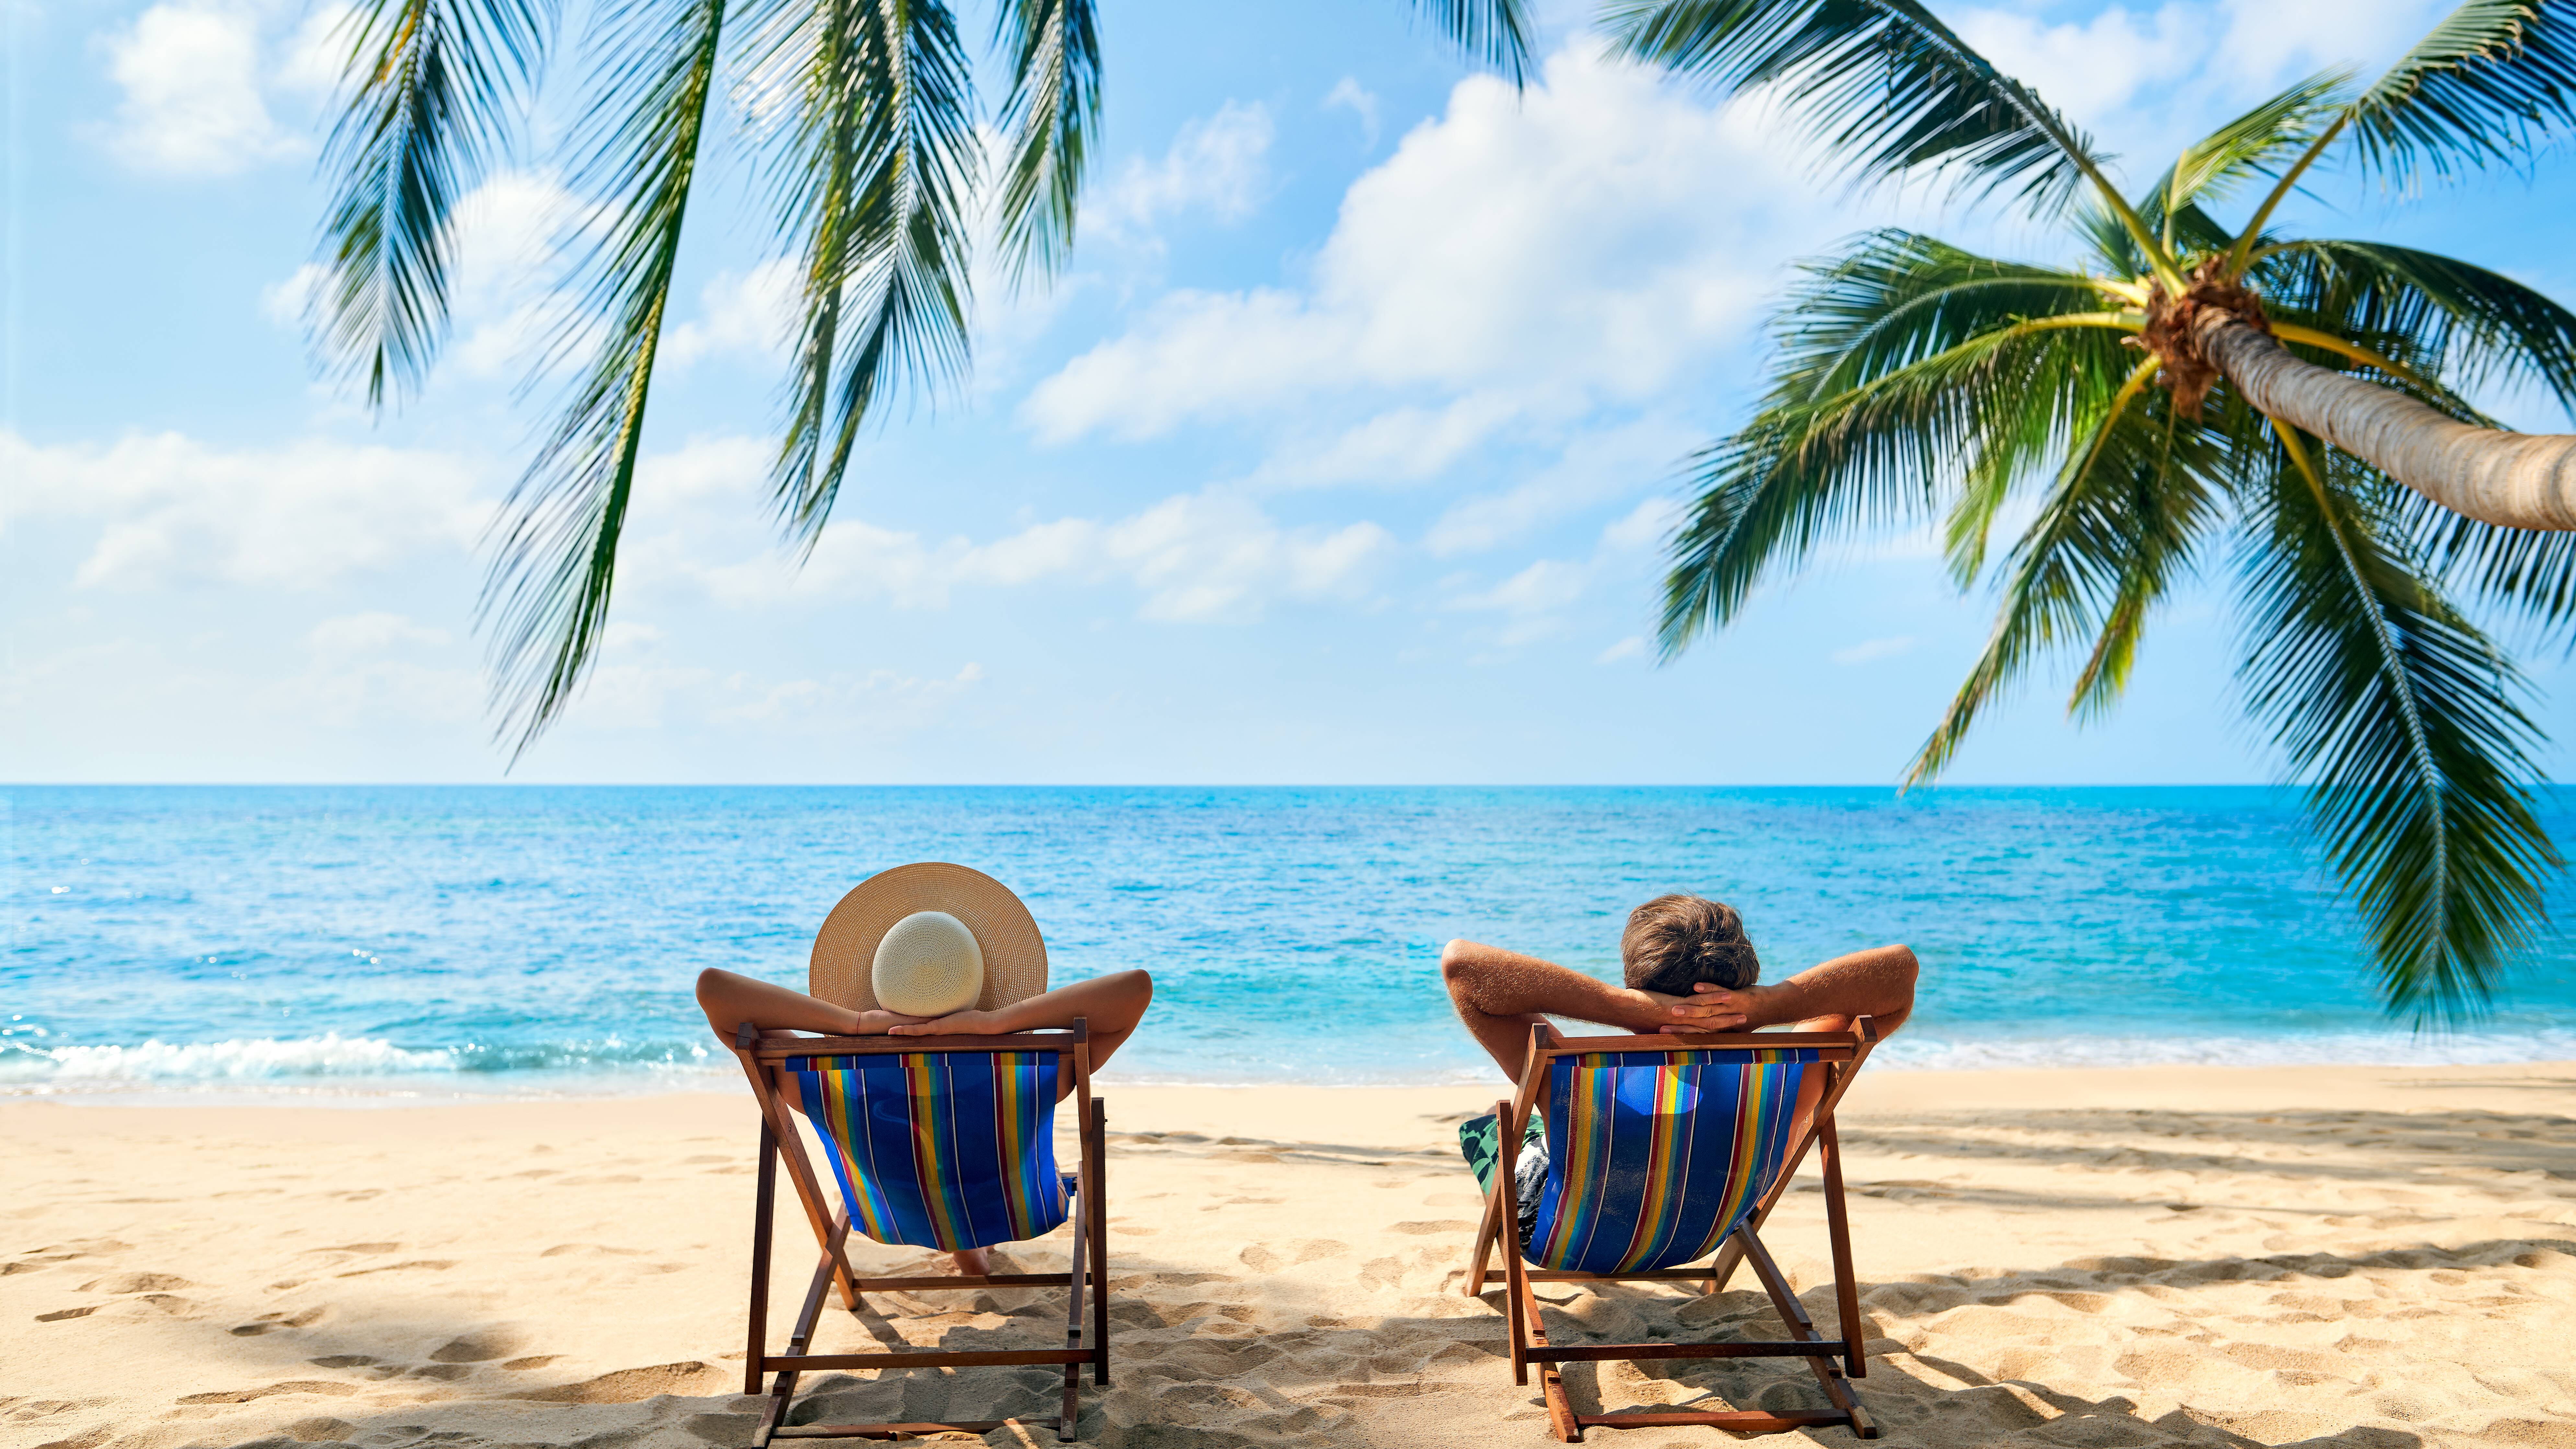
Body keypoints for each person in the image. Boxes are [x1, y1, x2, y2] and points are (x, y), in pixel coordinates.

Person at [696, 864, 1154, 1277]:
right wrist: (996, 1024)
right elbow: (1135, 988)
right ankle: (971, 1240)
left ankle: (962, 1246)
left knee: (926, 1151)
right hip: (1016, 1208)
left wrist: (852, 1025)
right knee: (971, 1149)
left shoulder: (824, 1079)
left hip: (894, 1215)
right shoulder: (1032, 1074)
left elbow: (714, 989)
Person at [1440, 893, 1917, 1252]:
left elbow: (1463, 966)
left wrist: (1626, 1011)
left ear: (1637, 985)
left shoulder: (1578, 1078)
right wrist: (1767, 1006)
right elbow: (1900, 975)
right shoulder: (1795, 1070)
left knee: (1491, 1122)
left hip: (1564, 1239)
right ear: (1747, 978)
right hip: (1708, 1230)